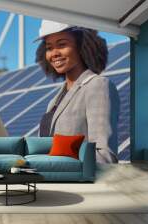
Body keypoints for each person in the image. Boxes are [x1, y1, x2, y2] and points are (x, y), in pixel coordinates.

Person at [35, 20, 120, 163]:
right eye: (49, 48)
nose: (54, 53)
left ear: (81, 46)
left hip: (71, 181)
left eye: (62, 44)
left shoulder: (98, 86)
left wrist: (60, 167)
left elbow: (105, 156)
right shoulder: (54, 101)